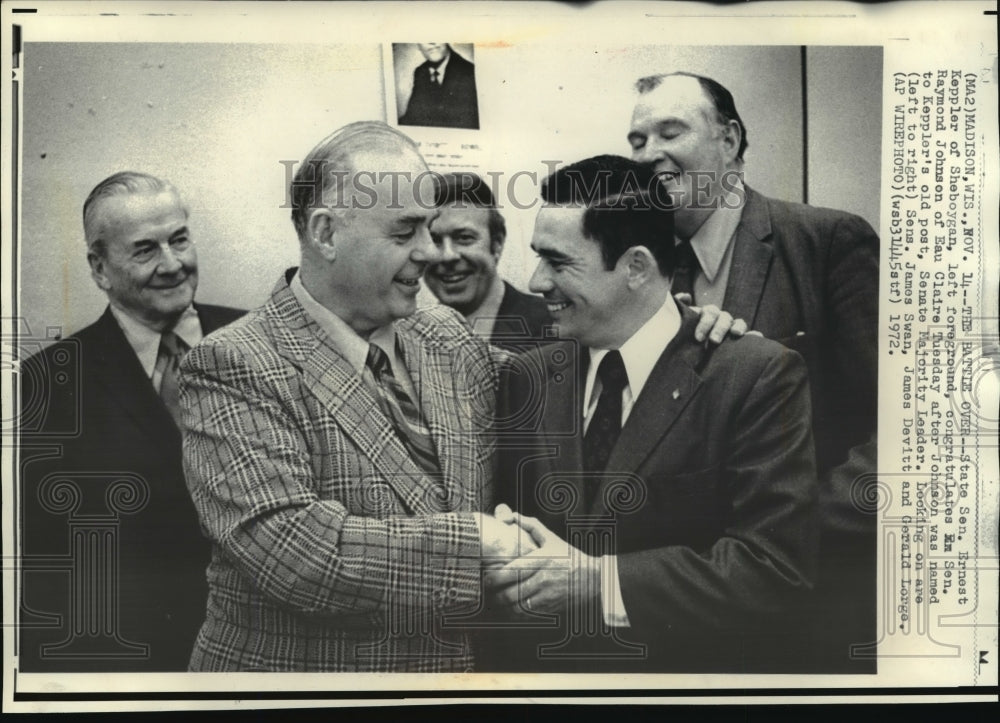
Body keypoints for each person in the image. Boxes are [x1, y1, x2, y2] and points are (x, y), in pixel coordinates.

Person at [179, 121, 532, 672]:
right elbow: (301, 554)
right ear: (325, 234)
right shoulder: (232, 363)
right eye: (404, 233)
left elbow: (562, 389)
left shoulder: (443, 331)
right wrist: (478, 541)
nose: (430, 253)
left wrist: (687, 333)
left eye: (432, 228)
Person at [486, 155, 819, 673]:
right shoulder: (527, 376)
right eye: (537, 257)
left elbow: (774, 568)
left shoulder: (753, 376)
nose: (534, 281)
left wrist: (598, 584)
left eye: (558, 262)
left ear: (636, 267)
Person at [627, 71, 879, 671]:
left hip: (810, 604)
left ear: (731, 140)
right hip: (682, 603)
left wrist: (791, 528)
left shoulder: (828, 241)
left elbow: (909, 425)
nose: (649, 153)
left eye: (670, 131)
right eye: (637, 140)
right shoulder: (638, 265)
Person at [19, 171, 244, 671]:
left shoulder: (260, 340)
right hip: (140, 663)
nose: (173, 264)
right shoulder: (45, 387)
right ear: (100, 269)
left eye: (179, 239)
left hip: (271, 653)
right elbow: (44, 570)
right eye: (145, 250)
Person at [425, 172, 552, 350]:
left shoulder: (554, 328)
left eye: (464, 237)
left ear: (497, 243)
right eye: (434, 240)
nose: (447, 256)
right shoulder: (408, 338)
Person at [398, 43, 479, 130]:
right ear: (418, 45)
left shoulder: (471, 71)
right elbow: (412, 116)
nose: (431, 41)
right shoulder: (420, 72)